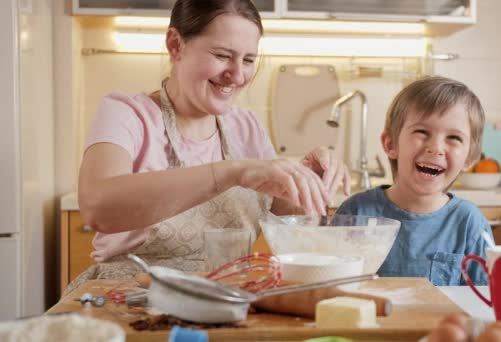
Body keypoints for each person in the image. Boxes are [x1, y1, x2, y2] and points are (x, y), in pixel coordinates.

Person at [65, 0, 350, 295]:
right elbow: (98, 207)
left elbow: (292, 221)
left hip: (226, 298)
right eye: (222, 55)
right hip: (130, 299)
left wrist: (308, 181)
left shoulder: (246, 125)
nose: (238, 76)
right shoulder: (127, 114)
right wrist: (230, 172)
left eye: (249, 60)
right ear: (175, 44)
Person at [336, 76, 493, 286]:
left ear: (470, 157)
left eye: (453, 138)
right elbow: (329, 287)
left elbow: (485, 300)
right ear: (391, 144)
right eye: (422, 132)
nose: (435, 147)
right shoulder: (355, 212)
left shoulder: (469, 222)